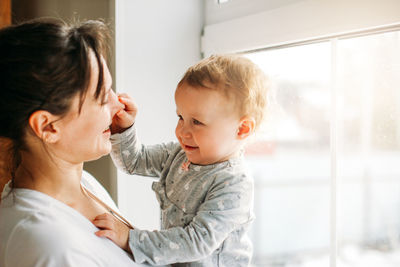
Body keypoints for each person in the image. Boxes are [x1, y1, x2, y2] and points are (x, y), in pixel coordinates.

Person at [93, 55, 269, 266]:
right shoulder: (179, 154)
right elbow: (135, 161)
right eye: (180, 117)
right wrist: (124, 129)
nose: (182, 131)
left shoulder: (234, 184)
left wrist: (130, 239)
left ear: (242, 129)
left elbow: (196, 243)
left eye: (197, 122)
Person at [0, 18, 144, 266]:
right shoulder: (49, 247)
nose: (118, 104)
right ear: (48, 126)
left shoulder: (84, 184)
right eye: (101, 96)